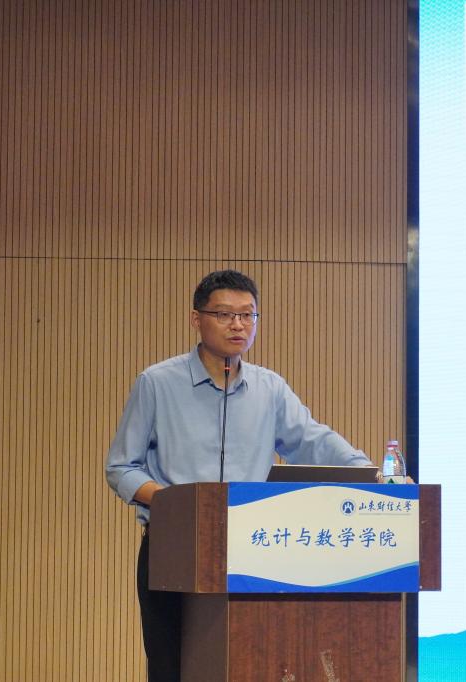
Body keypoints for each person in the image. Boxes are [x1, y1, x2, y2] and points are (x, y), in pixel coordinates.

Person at [105, 269, 374, 682]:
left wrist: (371, 474)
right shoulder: (157, 383)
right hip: (174, 546)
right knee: (171, 666)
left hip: (252, 547)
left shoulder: (270, 388)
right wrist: (175, 504)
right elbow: (121, 467)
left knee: (250, 661)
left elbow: (313, 440)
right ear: (197, 319)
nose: (238, 325)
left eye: (248, 315)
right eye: (225, 314)